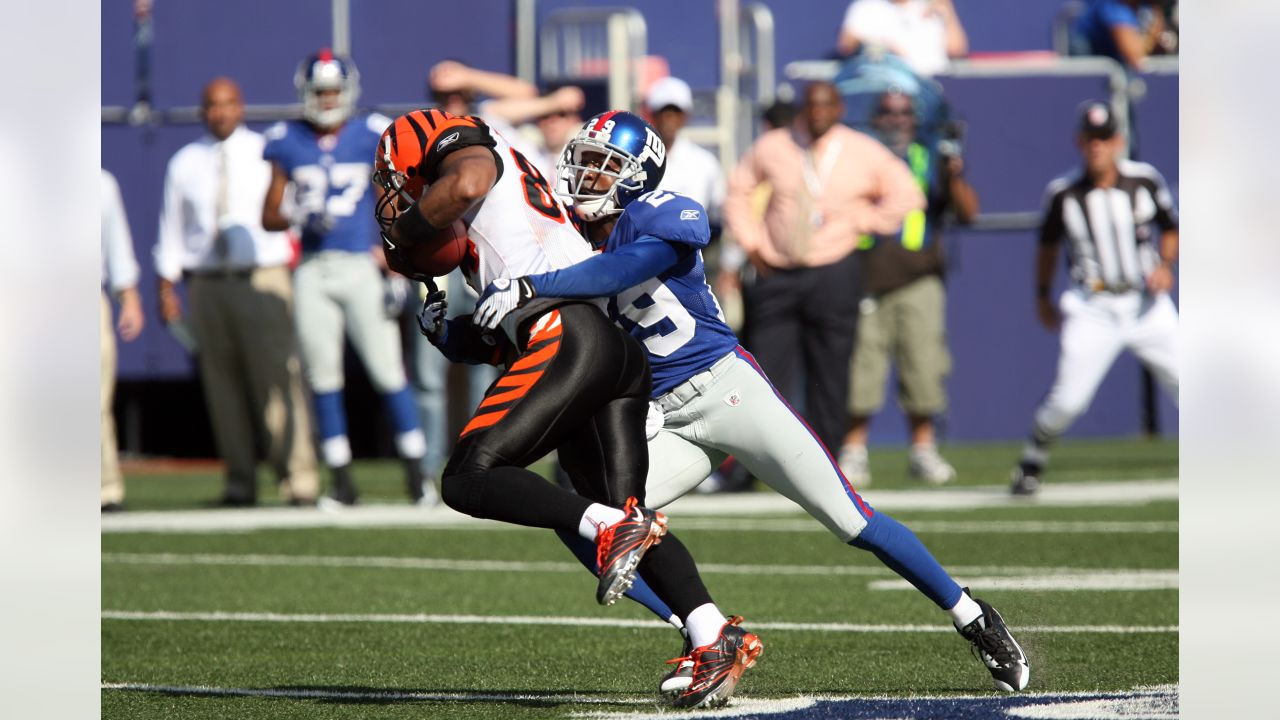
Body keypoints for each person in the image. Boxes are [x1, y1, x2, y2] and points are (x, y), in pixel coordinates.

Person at [472, 110, 1030, 696]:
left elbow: (623, 270)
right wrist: (461, 327)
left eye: (604, 166)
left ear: (638, 176)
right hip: (659, 417)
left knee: (850, 519)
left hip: (727, 389)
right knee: (590, 519)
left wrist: (538, 286)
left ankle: (972, 616)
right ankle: (704, 635)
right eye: (583, 161)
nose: (587, 177)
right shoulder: (562, 238)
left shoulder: (658, 213)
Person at [374, 107, 762, 709]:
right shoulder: (508, 217)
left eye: (402, 183)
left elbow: (468, 181)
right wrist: (451, 333)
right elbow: (506, 334)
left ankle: (611, 529)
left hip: (570, 339)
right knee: (625, 510)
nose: (401, 200)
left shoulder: (468, 148)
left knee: (468, 479)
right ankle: (711, 634)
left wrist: (411, 229)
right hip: (606, 351)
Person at [261, 51, 430, 506]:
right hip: (313, 270)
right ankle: (342, 482)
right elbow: (269, 214)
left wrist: (397, 264)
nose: (328, 99)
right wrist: (298, 211)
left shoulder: (370, 135)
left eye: (334, 91)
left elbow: (391, 204)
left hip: (360, 265)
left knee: (388, 370)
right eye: (321, 92)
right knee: (323, 376)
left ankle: (418, 480)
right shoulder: (286, 140)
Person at [723, 81, 925, 454]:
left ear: (839, 110)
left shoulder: (862, 150)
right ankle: (757, 460)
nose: (817, 113)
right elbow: (738, 190)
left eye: (825, 106)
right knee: (764, 372)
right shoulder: (775, 145)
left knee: (831, 370)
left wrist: (864, 220)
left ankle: (827, 459)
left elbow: (909, 195)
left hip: (834, 268)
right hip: (777, 271)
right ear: (803, 109)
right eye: (811, 106)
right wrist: (750, 243)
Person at [155, 77, 320, 507]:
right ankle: (239, 481)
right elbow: (171, 229)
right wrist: (166, 282)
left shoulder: (266, 151)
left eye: (228, 103)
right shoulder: (184, 162)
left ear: (241, 107)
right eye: (212, 105)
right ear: (202, 110)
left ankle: (297, 477)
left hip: (262, 274)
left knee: (278, 379)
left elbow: (291, 209)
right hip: (208, 282)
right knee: (222, 385)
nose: (221, 112)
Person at [1009, 101, 1178, 495]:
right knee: (1068, 400)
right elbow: (1047, 249)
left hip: (1146, 306)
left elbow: (1170, 229)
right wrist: (1042, 296)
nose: (1097, 147)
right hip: (1092, 306)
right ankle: (1033, 457)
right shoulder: (1063, 193)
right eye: (1090, 139)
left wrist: (1166, 265)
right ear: (1079, 142)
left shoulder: (1145, 181)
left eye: (1104, 139)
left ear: (1118, 141)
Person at [837, 89, 979, 486]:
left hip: (918, 277)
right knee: (861, 368)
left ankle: (923, 449)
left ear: (915, 120)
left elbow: (968, 212)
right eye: (887, 112)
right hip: (864, 276)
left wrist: (953, 175)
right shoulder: (858, 159)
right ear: (875, 118)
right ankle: (854, 450)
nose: (896, 119)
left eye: (904, 112)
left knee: (923, 365)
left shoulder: (927, 157)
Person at [102, 169, 145, 512]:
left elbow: (116, 242)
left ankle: (104, 489)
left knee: (94, 402)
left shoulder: (99, 182)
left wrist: (128, 296)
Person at [645, 77, 725, 226]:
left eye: (676, 112)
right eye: (663, 111)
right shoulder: (637, 162)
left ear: (685, 116)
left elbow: (720, 210)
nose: (669, 118)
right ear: (653, 115)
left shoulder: (705, 163)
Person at [837, 0, 969, 77]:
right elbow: (847, 43)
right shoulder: (867, 6)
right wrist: (885, 47)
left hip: (932, 87)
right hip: (886, 87)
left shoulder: (933, 4)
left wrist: (947, 10)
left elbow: (956, 50)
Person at [1070, 0, 1169, 70]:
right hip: (1089, 58)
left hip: (1117, 61)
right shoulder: (1113, 6)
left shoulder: (1148, 7)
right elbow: (1135, 58)